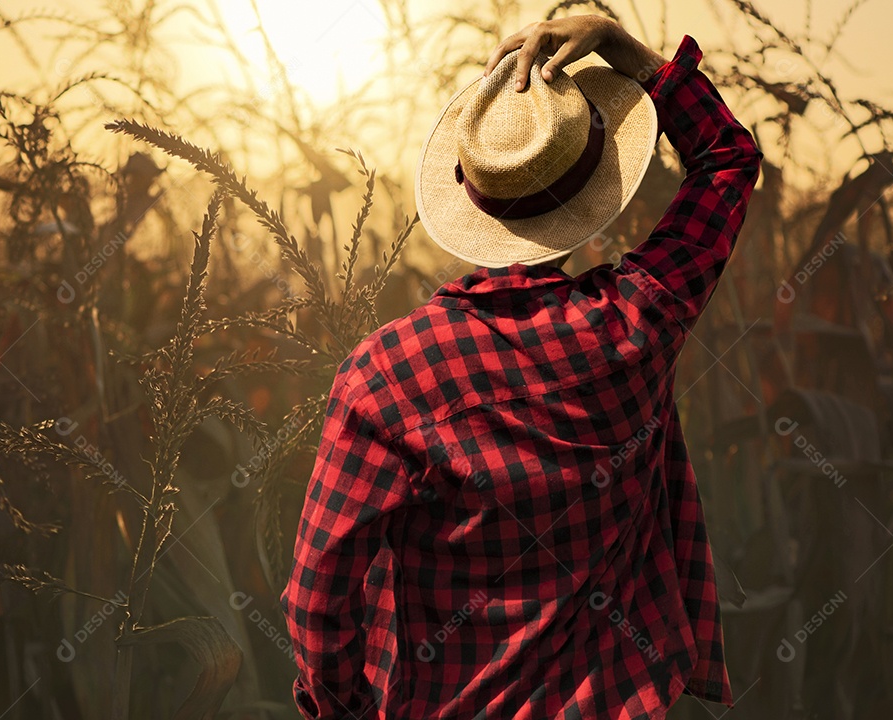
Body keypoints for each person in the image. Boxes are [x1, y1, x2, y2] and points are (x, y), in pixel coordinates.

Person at [280, 13, 763, 720]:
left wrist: (344, 708)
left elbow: (317, 600)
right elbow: (726, 160)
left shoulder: (385, 376)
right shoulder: (637, 322)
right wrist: (618, 43)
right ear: (593, 190)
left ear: (468, 191)